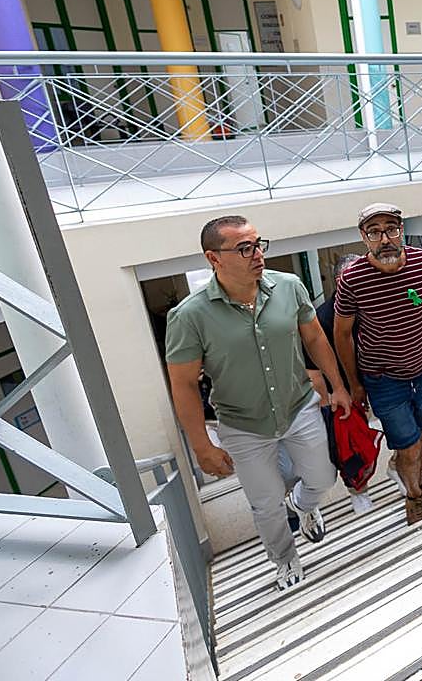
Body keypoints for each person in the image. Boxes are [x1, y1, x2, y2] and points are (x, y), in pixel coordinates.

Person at [165, 216, 350, 590]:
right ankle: (285, 560)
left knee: (322, 477)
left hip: (299, 407)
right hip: (243, 426)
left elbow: (314, 339)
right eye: (244, 248)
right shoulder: (189, 316)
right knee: (265, 505)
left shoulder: (289, 287)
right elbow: (183, 384)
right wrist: (202, 445)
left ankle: (303, 504)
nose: (257, 255)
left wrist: (338, 386)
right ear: (213, 258)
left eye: (258, 244)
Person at [333, 203, 422, 525]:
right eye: (375, 232)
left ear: (401, 231)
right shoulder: (352, 279)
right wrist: (355, 383)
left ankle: (415, 478)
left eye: (391, 229)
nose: (384, 238)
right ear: (364, 237)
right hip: (384, 379)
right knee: (411, 445)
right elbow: (342, 334)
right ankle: (414, 495)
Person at [296, 253, 375, 515]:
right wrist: (329, 404)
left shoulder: (372, 306)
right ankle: (357, 490)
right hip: (338, 393)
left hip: (374, 380)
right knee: (348, 447)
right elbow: (312, 370)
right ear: (340, 281)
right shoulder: (321, 319)